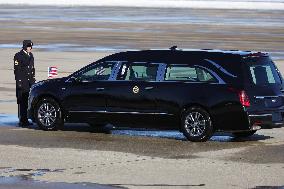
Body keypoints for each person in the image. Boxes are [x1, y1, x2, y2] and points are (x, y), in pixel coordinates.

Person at [13, 40, 36, 127]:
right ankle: (22, 120)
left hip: (30, 81)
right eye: (29, 46)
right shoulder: (18, 56)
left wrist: (33, 80)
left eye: (31, 46)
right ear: (25, 47)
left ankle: (25, 118)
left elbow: (32, 69)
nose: (31, 48)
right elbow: (17, 70)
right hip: (22, 82)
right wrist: (19, 83)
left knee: (27, 101)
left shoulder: (31, 55)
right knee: (22, 101)